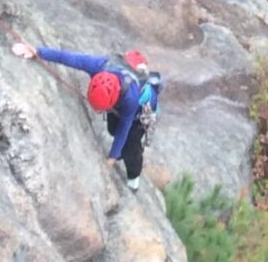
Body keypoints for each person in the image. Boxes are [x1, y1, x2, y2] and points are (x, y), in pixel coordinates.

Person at [11, 40, 161, 182]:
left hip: (140, 111)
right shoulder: (99, 66)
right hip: (119, 101)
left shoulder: (131, 98)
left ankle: (134, 178)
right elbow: (68, 58)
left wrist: (112, 157)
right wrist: (37, 51)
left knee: (131, 145)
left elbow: (125, 126)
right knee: (112, 129)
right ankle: (122, 151)